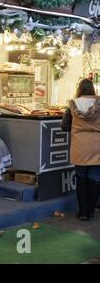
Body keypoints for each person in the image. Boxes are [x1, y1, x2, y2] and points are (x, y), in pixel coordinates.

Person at [61, 78, 100, 221]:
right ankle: (91, 211)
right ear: (93, 90)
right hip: (97, 145)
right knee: (94, 179)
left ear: (79, 89)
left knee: (81, 179)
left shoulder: (73, 105)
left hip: (79, 146)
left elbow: (64, 126)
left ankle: (83, 212)